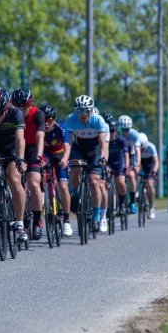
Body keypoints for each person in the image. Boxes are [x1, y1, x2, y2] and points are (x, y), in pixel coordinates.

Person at [0, 88, 28, 243]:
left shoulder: (16, 113)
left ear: (6, 108)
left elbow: (20, 139)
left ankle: (20, 224)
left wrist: (21, 159)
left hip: (11, 148)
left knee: (14, 179)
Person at [66, 95, 107, 233]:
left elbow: (102, 143)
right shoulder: (71, 119)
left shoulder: (98, 120)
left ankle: (95, 217)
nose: (82, 114)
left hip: (94, 150)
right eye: (79, 111)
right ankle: (75, 194)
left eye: (85, 111)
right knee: (75, 170)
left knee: (94, 181)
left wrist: (102, 157)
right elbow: (69, 143)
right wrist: (66, 158)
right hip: (78, 148)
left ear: (91, 110)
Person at [11, 87, 45, 240]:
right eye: (17, 108)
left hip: (32, 149)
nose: (20, 111)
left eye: (24, 108)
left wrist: (39, 155)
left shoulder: (37, 114)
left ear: (30, 106)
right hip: (15, 147)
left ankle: (37, 221)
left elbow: (40, 136)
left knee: (33, 182)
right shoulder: (10, 114)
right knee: (16, 182)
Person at [40, 104, 73, 236]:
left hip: (60, 154)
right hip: (45, 153)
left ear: (54, 120)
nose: (46, 123)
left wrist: (64, 159)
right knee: (38, 174)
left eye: (49, 120)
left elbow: (67, 147)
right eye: (43, 120)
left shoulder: (61, 127)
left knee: (63, 186)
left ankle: (67, 220)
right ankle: (42, 195)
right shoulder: (38, 127)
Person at [119, 115, 141, 214]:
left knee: (131, 175)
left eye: (127, 130)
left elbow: (137, 150)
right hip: (119, 154)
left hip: (131, 155)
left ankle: (132, 202)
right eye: (122, 129)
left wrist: (137, 164)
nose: (124, 132)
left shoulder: (134, 134)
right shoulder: (115, 133)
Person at [107, 120, 130, 216]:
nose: (110, 134)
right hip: (108, 164)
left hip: (119, 163)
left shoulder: (121, 140)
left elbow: (126, 154)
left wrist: (127, 166)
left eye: (112, 131)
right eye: (108, 131)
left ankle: (122, 204)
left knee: (120, 182)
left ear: (116, 131)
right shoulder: (104, 139)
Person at [94, 108, 111, 233]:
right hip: (88, 152)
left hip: (100, 154)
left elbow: (105, 147)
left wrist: (104, 162)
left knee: (101, 185)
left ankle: (103, 216)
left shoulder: (103, 126)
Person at [138, 132, 159, 220]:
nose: (141, 150)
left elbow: (156, 161)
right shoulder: (136, 146)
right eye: (140, 149)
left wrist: (154, 171)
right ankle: (136, 193)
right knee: (134, 174)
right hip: (140, 163)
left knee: (150, 183)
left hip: (150, 165)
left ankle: (151, 206)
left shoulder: (151, 146)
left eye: (143, 148)